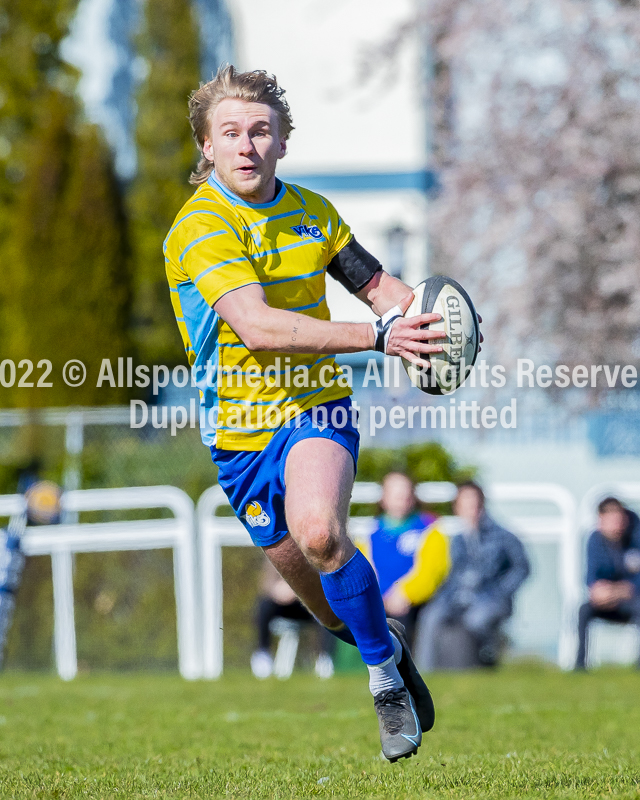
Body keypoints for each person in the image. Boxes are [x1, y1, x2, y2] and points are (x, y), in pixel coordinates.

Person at [163, 65, 469, 761]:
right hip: (237, 439)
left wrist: (422, 318)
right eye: (231, 133)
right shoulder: (200, 226)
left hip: (314, 409)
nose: (247, 146)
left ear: (283, 142)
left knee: (321, 532)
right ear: (206, 147)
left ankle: (384, 681)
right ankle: (379, 643)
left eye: (261, 131)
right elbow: (259, 326)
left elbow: (378, 285)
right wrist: (378, 338)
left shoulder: (313, 212)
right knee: (327, 609)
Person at [415, 481, 530, 671]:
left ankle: (485, 662)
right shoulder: (458, 540)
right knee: (431, 615)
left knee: (475, 619)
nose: (471, 509)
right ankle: (424, 673)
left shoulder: (504, 537)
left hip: (489, 600)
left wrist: (500, 592)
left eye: (474, 503)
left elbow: (522, 568)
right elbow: (452, 577)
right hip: (457, 599)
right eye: (465, 504)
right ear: (457, 508)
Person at [360, 472, 449, 647]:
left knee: (399, 626)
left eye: (405, 493)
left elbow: (431, 572)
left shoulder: (430, 529)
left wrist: (405, 594)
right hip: (377, 600)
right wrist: (375, 597)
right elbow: (363, 570)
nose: (402, 498)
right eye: (395, 493)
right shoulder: (368, 533)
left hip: (412, 604)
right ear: (384, 498)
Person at [575, 496, 640, 670]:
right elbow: (591, 579)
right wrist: (603, 592)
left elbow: (636, 583)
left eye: (619, 518)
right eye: (612, 519)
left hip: (633, 602)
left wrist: (619, 590)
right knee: (583, 610)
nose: (617, 524)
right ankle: (580, 666)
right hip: (605, 602)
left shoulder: (635, 538)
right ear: (601, 520)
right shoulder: (594, 541)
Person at [251, 558, 336, 679]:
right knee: (263, 605)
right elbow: (266, 584)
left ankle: (324, 658)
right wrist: (276, 591)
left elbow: (322, 583)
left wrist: (297, 590)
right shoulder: (275, 552)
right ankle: (263, 654)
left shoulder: (314, 554)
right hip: (280, 605)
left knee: (326, 612)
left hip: (307, 605)